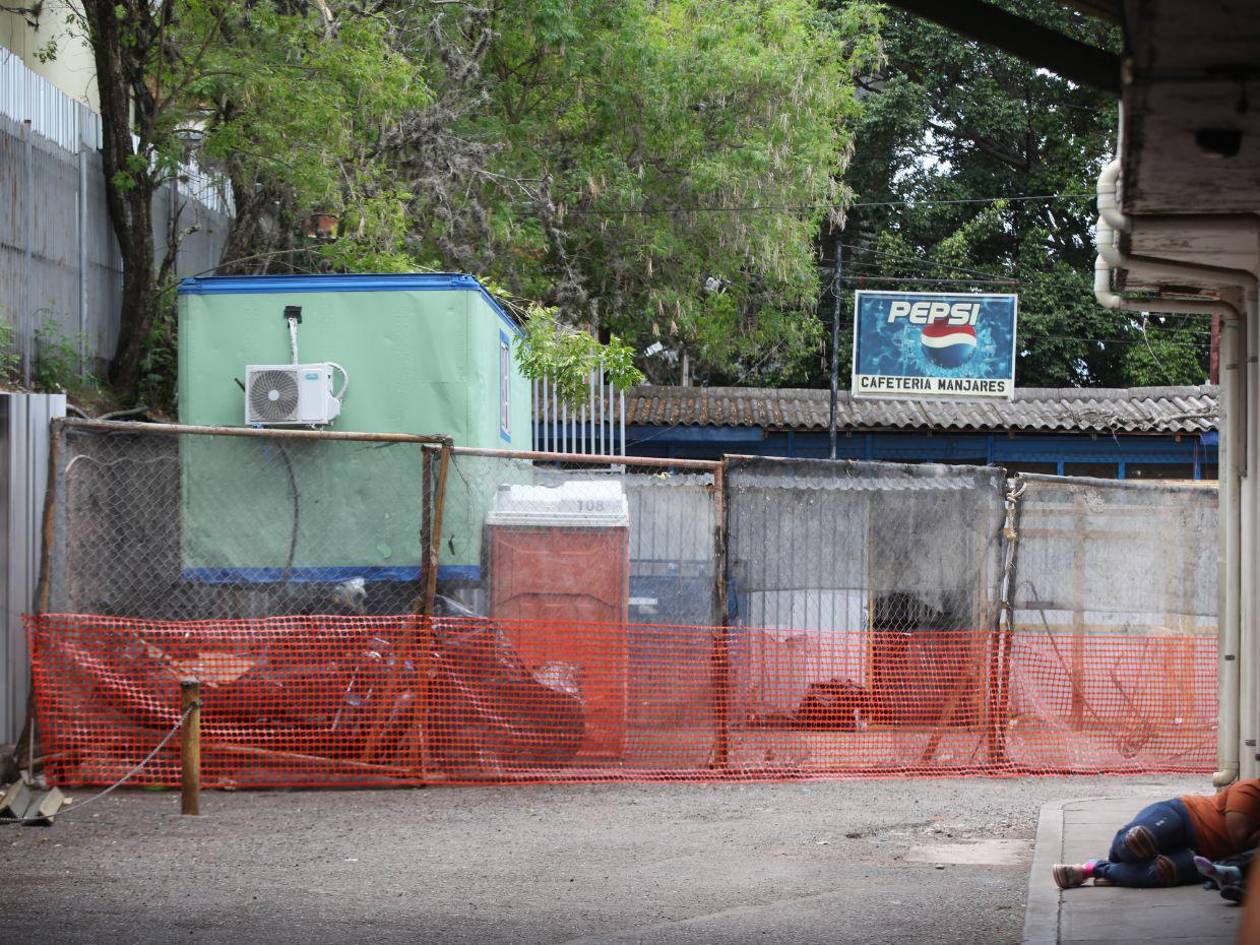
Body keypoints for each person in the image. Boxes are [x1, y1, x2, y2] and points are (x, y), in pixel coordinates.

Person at [1053, 779, 1260, 889]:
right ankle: (1116, 862)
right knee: (1138, 840)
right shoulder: (1250, 789)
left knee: (1163, 872)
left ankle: (1095, 869)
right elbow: (1238, 836)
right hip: (1186, 816)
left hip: (1205, 855)